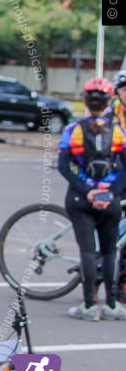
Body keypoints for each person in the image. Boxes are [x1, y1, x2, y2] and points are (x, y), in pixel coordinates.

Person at [57, 77, 126, 320]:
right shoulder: (118, 132)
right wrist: (110, 193)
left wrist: (88, 191)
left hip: (80, 199)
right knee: (109, 252)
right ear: (109, 101)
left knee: (87, 251)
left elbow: (64, 167)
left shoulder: (72, 130)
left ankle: (88, 307)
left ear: (85, 101)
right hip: (110, 200)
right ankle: (112, 305)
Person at [105, 69, 126, 303]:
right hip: (111, 178)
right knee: (108, 232)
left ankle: (122, 284)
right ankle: (97, 280)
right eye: (124, 89)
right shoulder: (109, 116)